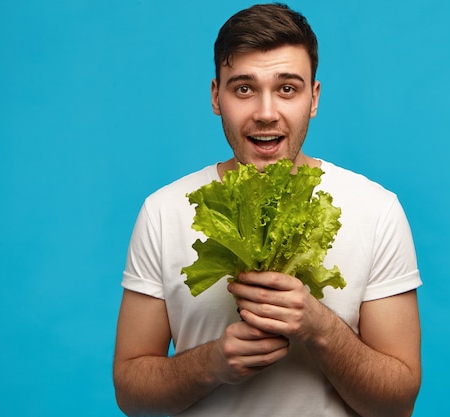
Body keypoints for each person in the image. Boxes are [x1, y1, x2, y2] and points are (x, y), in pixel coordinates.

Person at [113, 3, 422, 417]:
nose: (265, 113)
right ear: (215, 97)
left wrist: (319, 327)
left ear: (313, 98)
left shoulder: (377, 210)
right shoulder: (163, 212)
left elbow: (398, 404)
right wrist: (212, 365)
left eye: (287, 89)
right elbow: (131, 395)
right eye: (243, 88)